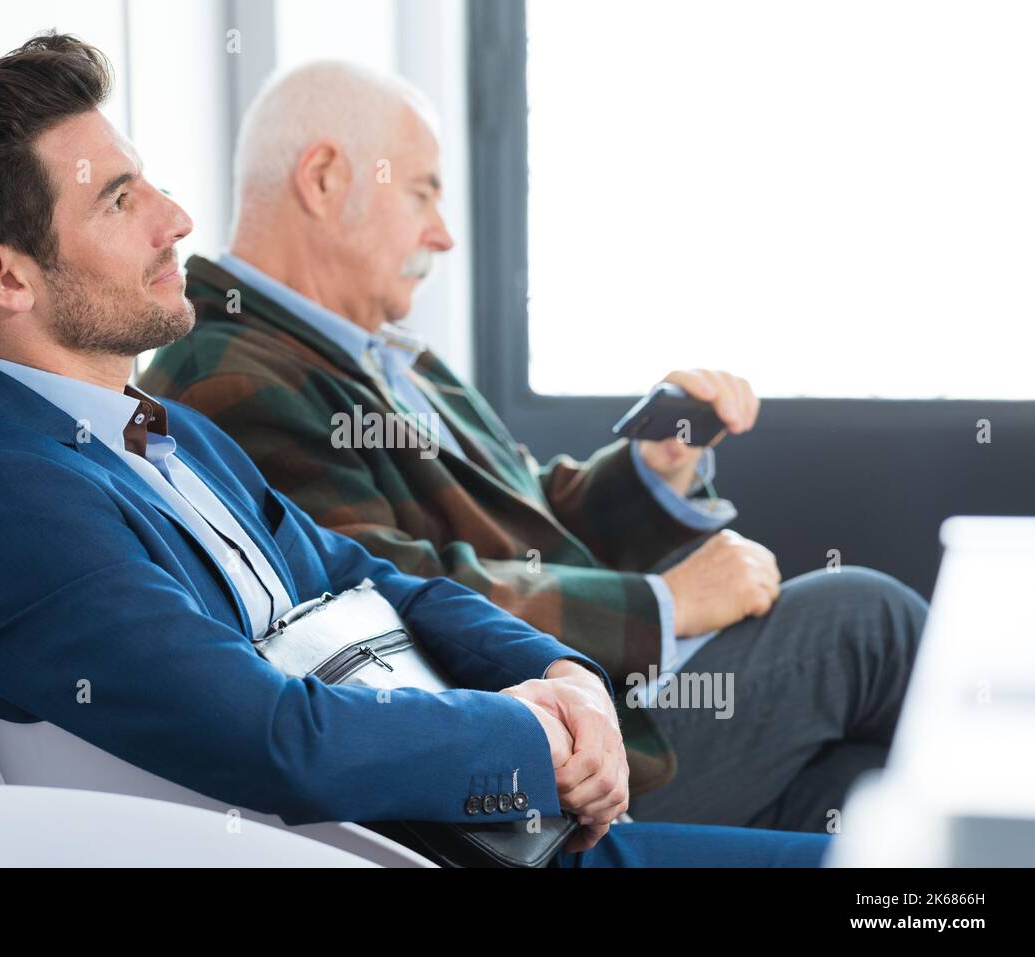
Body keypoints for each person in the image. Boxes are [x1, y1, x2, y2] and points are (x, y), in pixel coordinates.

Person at [0, 34, 828, 866]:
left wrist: (565, 674)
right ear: (0, 276)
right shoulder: (0, 495)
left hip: (492, 830)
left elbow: (379, 580)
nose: (177, 218)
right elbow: (273, 735)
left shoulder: (158, 432)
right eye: (122, 200)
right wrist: (538, 736)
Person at [139, 59, 927, 832]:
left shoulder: (386, 351)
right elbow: (388, 596)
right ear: (323, 179)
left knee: (855, 792)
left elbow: (528, 512)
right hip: (561, 754)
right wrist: (661, 607)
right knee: (866, 619)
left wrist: (654, 469)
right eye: (422, 192)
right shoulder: (226, 374)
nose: (443, 236)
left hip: (601, 702)